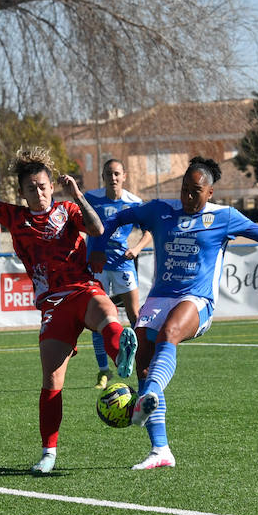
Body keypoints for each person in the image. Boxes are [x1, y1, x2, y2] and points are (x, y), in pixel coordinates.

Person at [101, 157, 258, 470]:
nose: (188, 196)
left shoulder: (224, 217)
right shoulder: (160, 209)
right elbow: (119, 217)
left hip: (196, 300)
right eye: (184, 189)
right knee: (144, 368)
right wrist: (95, 247)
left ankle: (147, 398)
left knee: (169, 335)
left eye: (195, 192)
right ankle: (160, 450)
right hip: (158, 298)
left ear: (210, 193)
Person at [0, 141, 138, 475]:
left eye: (43, 186)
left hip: (82, 288)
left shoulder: (68, 211)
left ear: (52, 187)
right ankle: (48, 453)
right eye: (32, 188)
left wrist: (78, 195)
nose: (39, 192)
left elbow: (98, 229)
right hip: (53, 304)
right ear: (22, 193)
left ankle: (121, 357)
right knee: (52, 380)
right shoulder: (15, 216)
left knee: (107, 315)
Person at [84, 159, 151, 389]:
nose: (112, 178)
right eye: (108, 174)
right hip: (97, 265)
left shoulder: (134, 202)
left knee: (135, 316)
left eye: (116, 174)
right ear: (103, 177)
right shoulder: (91, 198)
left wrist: (137, 248)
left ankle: (142, 364)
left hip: (123, 264)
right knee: (97, 319)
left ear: (124, 176)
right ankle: (104, 371)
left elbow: (148, 230)